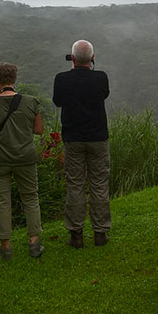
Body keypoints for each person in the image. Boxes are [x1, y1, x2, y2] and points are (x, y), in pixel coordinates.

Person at [0, 62, 44, 260]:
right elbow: (39, 130)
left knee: (2, 201)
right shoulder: (31, 102)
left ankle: (5, 247)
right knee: (31, 198)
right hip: (25, 158)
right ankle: (34, 243)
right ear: (14, 80)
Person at [53, 39, 111, 249]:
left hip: (73, 138)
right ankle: (100, 233)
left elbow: (58, 101)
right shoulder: (100, 78)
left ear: (73, 58)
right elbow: (103, 94)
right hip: (98, 138)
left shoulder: (61, 79)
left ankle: (76, 235)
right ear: (93, 58)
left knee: (75, 184)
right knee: (99, 184)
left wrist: (73, 70)